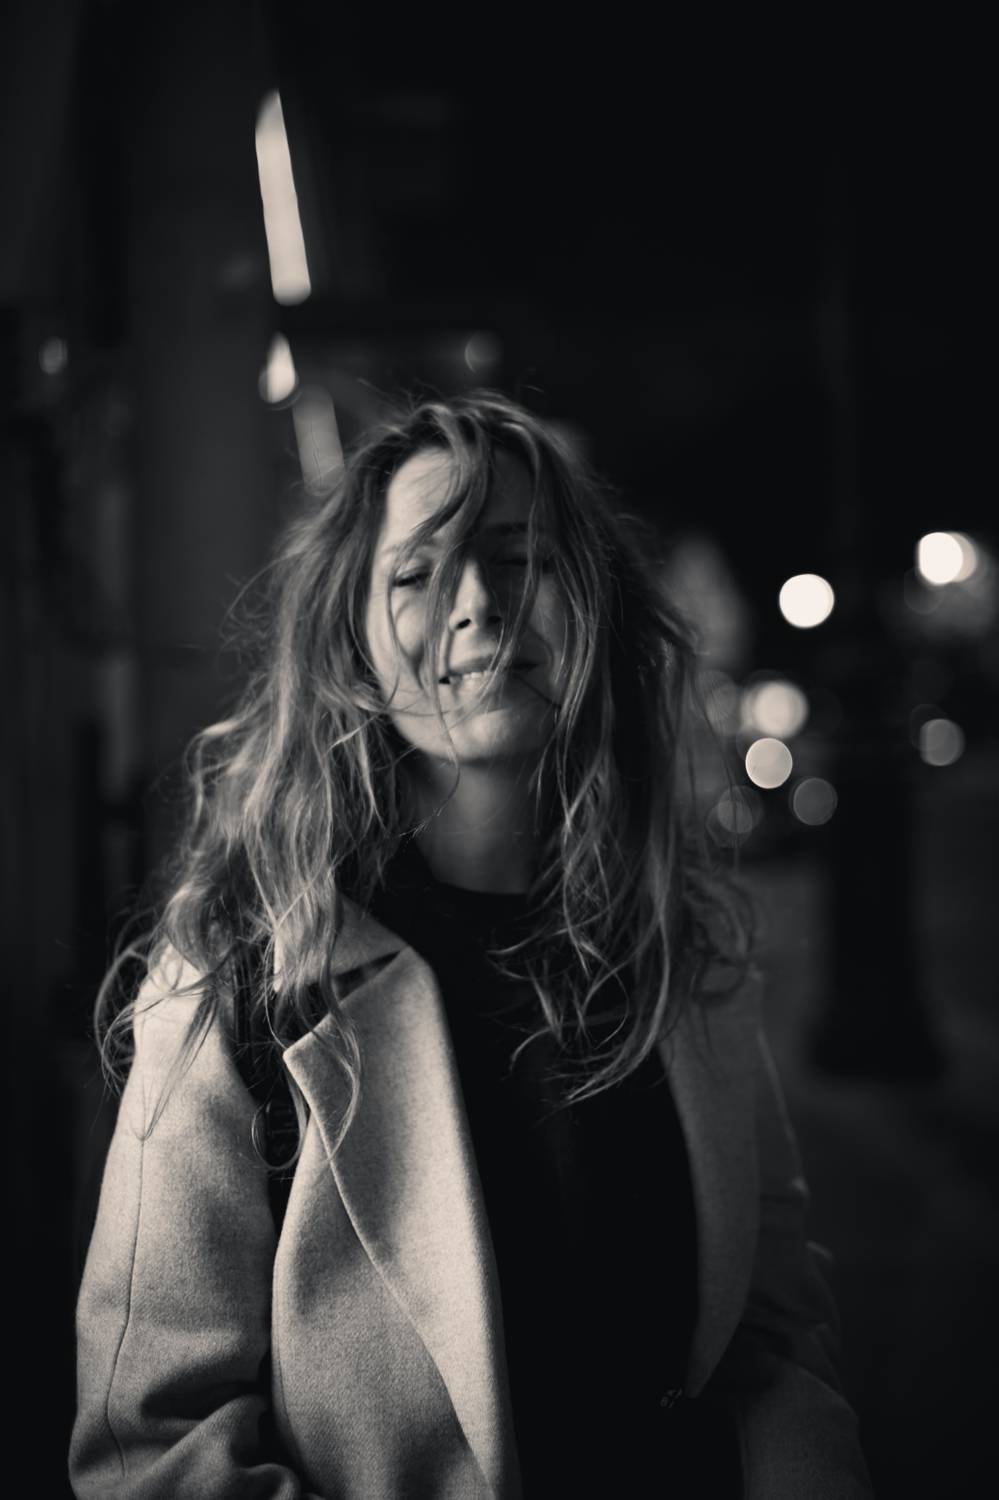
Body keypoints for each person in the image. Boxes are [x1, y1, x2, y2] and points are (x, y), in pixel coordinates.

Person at [71, 392, 874, 1498]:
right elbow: (149, 1443)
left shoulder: (678, 948)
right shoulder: (246, 974)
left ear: (592, 608)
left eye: (519, 557)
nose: (479, 605)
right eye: (416, 574)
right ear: (352, 648)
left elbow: (773, 1327)